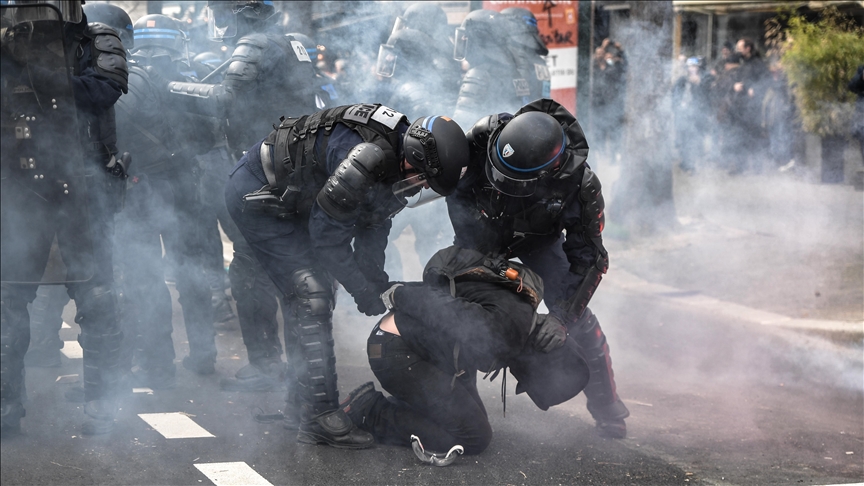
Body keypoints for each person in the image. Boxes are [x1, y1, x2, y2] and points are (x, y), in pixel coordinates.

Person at [225, 104, 469, 448]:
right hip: (260, 195)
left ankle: (301, 405)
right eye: (423, 179)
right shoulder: (366, 158)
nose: (419, 189)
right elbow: (328, 241)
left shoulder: (400, 164)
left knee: (309, 293)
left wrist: (377, 284)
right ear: (412, 159)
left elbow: (374, 225)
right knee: (311, 292)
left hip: (296, 202)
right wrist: (361, 290)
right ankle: (318, 416)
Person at [446, 98, 630, 439]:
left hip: (539, 242)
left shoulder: (581, 186)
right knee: (460, 309)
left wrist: (561, 317)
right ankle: (460, 407)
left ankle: (608, 407)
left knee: (580, 323)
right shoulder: (482, 137)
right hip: (480, 231)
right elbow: (455, 189)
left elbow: (591, 259)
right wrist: (473, 243)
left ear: (550, 172)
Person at [169, 1, 325, 388]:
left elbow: (225, 98)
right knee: (293, 267)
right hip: (293, 167)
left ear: (239, 12)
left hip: (265, 169)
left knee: (249, 266)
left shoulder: (255, 44)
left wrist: (169, 86)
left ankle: (267, 367)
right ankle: (305, 373)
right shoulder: (290, 43)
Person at [1, 0, 129, 436]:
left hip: (84, 184)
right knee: (7, 299)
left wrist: (38, 74)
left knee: (96, 294)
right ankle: (3, 408)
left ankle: (105, 402)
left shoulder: (97, 39)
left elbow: (105, 89)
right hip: (19, 189)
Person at [340, 246, 589, 463]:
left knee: (470, 418)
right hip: (397, 351)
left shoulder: (524, 316)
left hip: (423, 350)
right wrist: (396, 293)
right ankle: (369, 411)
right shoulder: (508, 330)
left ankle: (396, 408)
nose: (519, 378)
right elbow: (442, 309)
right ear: (540, 362)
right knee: (474, 436)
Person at [111, 13, 220, 384]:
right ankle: (203, 354)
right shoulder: (191, 79)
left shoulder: (130, 76)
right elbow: (211, 135)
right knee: (191, 272)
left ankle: (158, 364)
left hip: (142, 187)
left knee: (145, 274)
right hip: (187, 184)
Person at [452, 9, 542, 128]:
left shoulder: (479, 73)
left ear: (479, 39)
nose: (463, 41)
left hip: (482, 143)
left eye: (466, 37)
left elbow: (461, 124)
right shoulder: (514, 72)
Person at [672, 57, 714, 172]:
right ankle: (686, 162)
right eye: (690, 66)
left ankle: (696, 165)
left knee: (697, 139)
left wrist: (699, 83)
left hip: (698, 115)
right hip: (684, 114)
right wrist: (678, 106)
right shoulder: (682, 80)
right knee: (684, 139)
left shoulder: (705, 79)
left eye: (694, 66)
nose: (692, 69)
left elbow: (708, 96)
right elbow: (674, 94)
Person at [590, 39, 627, 164]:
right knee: (600, 131)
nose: (607, 57)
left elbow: (625, 65)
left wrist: (620, 50)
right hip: (599, 106)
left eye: (610, 56)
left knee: (614, 132)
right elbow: (596, 58)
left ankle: (613, 155)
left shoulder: (615, 69)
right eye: (606, 55)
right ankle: (601, 154)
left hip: (613, 106)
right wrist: (603, 46)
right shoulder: (595, 69)